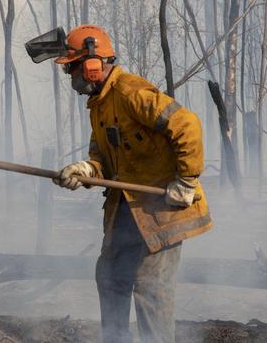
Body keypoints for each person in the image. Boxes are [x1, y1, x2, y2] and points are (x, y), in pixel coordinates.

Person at [25, 25, 213, 343]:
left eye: (71, 68)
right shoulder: (100, 106)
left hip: (164, 210)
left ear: (91, 65)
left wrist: (187, 179)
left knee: (150, 284)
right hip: (128, 211)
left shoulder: (130, 93)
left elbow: (187, 124)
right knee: (109, 274)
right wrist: (85, 169)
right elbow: (102, 158)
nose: (70, 77)